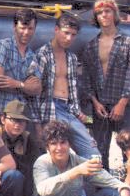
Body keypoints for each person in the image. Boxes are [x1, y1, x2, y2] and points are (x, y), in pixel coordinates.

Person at [27, 13, 100, 159]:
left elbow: (72, 90)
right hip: (50, 110)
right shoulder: (42, 54)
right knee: (53, 157)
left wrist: (78, 112)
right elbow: (33, 94)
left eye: (73, 35)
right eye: (66, 33)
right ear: (56, 30)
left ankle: (88, 181)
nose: (69, 38)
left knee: (93, 154)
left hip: (69, 111)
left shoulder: (72, 58)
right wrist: (37, 124)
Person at [80, 0, 130, 170]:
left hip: (124, 105)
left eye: (107, 11)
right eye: (99, 13)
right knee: (100, 149)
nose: (103, 15)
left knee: (129, 146)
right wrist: (94, 102)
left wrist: (122, 103)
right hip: (100, 107)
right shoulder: (90, 46)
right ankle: (103, 189)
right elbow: (86, 78)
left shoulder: (129, 43)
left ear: (115, 14)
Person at [0, 8, 42, 120]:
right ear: (14, 27)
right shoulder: (2, 46)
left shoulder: (32, 55)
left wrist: (17, 84)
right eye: (22, 28)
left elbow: (37, 89)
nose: (26, 32)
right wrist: (25, 86)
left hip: (22, 115)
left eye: (30, 28)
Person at [0, 100, 43, 196]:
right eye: (13, 120)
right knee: (14, 176)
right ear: (3, 119)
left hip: (20, 192)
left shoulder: (28, 139)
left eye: (22, 121)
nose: (18, 124)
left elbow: (38, 169)